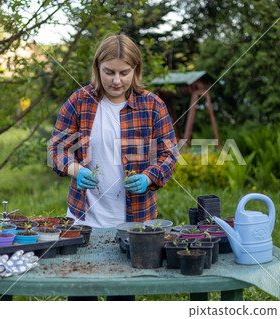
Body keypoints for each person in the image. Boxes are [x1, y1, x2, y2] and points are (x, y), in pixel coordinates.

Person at [48, 34, 179, 301]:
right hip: (83, 220)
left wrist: (148, 176)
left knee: (121, 299)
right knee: (81, 297)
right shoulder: (80, 101)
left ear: (136, 71)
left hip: (132, 224)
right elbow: (56, 149)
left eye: (124, 73)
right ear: (97, 68)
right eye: (109, 72)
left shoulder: (152, 105)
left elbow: (169, 154)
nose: (116, 80)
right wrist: (75, 170)